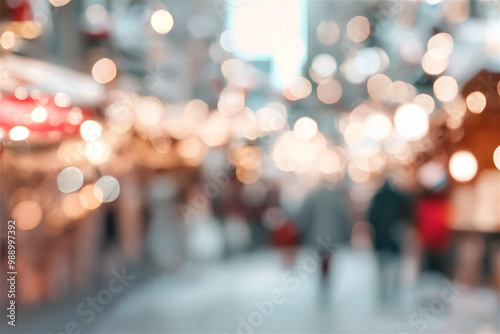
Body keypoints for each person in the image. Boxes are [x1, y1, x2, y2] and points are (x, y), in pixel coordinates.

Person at [367, 180, 413, 304]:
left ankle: (384, 292)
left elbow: (370, 217)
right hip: (394, 239)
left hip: (381, 239)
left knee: (382, 268)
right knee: (395, 267)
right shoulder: (398, 198)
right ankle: (393, 292)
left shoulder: (377, 198)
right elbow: (408, 210)